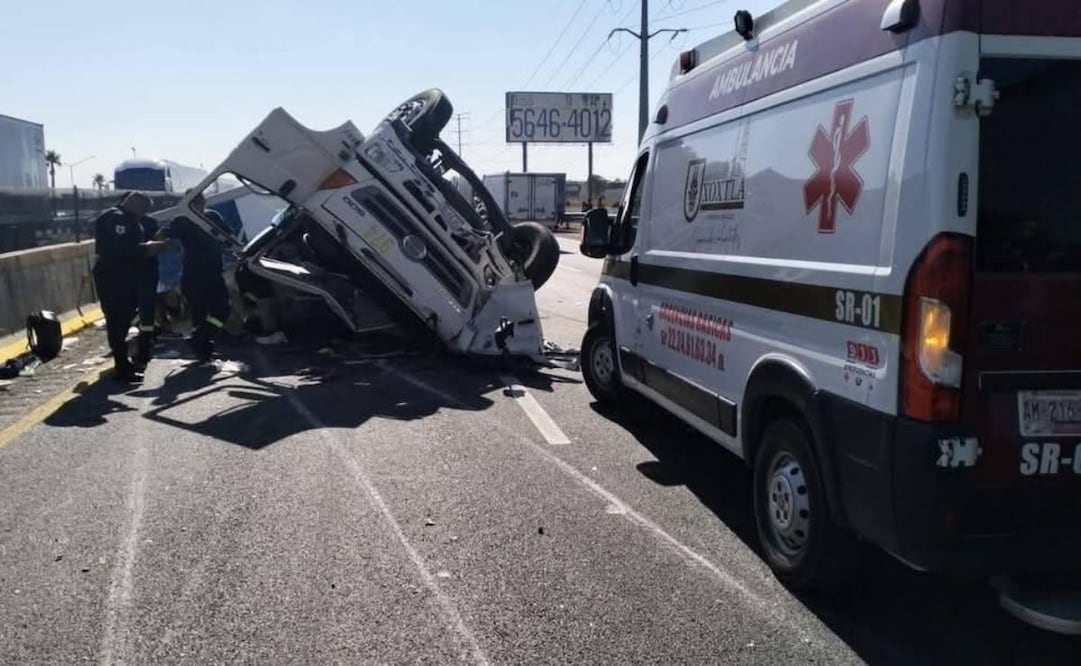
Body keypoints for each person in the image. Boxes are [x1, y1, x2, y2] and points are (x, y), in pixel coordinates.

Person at [91, 193, 174, 381]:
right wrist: (146, 249)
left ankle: (123, 363)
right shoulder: (115, 218)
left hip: (125, 278)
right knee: (117, 321)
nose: (143, 214)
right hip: (113, 278)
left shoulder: (130, 219)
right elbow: (116, 249)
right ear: (133, 202)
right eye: (142, 209)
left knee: (122, 320)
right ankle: (122, 366)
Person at [156, 191, 231, 362]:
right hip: (193, 275)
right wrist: (177, 247)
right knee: (199, 314)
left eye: (201, 199)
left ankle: (201, 339)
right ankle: (203, 351)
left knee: (222, 310)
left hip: (214, 272)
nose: (200, 203)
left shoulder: (213, 216)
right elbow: (160, 236)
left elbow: (227, 235)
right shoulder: (182, 220)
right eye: (195, 200)